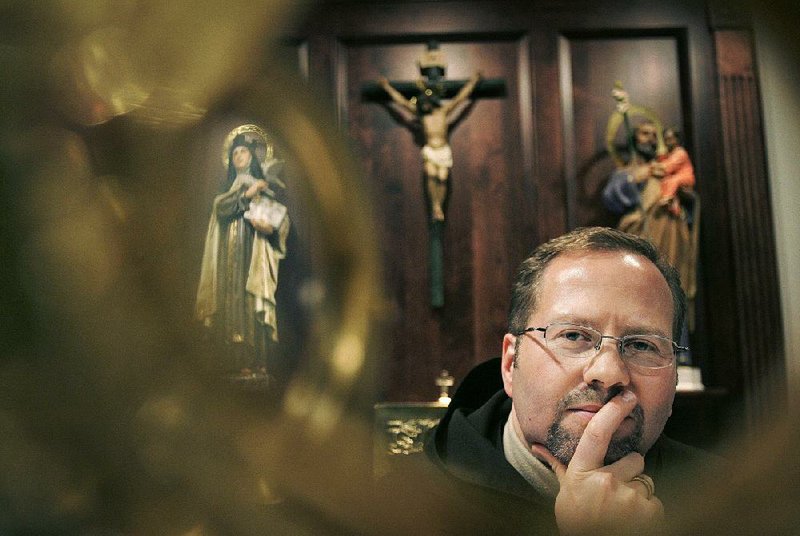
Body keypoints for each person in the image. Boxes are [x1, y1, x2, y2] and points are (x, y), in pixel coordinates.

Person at [410, 227, 719, 534]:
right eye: (573, 335)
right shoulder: (400, 511)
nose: (609, 372)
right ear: (509, 364)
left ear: (674, 377)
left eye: (642, 345)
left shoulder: (731, 502)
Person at [196, 129, 290, 376]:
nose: (238, 156)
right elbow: (222, 208)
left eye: (243, 151)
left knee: (253, 298)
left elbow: (279, 221)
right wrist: (246, 194)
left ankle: (257, 358)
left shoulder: (264, 188)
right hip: (228, 254)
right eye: (234, 152)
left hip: (252, 253)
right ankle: (235, 360)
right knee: (230, 300)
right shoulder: (226, 191)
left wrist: (269, 226)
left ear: (252, 156)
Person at [378, 44, 481, 222]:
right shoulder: (421, 114)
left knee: (442, 177)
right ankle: (435, 207)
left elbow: (461, 99)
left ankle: (439, 205)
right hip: (430, 149)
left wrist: (473, 83)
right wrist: (387, 88)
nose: (426, 102)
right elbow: (401, 103)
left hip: (442, 149)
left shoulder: (443, 112)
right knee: (431, 175)